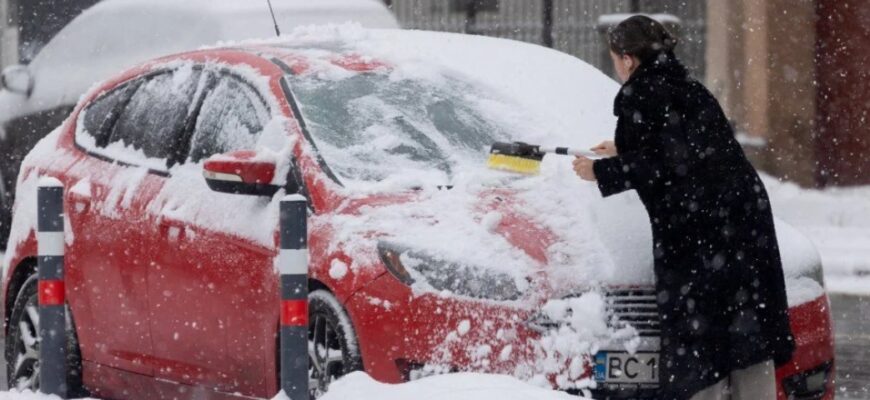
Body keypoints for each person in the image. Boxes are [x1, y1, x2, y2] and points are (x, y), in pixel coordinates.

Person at [573, 15, 795, 400]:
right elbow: (688, 149)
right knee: (746, 334)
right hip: (740, 222)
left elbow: (665, 163)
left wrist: (602, 171)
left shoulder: (640, 93)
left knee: (701, 339)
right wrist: (625, 150)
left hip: (700, 231)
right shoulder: (685, 85)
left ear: (627, 59)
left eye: (615, 60)